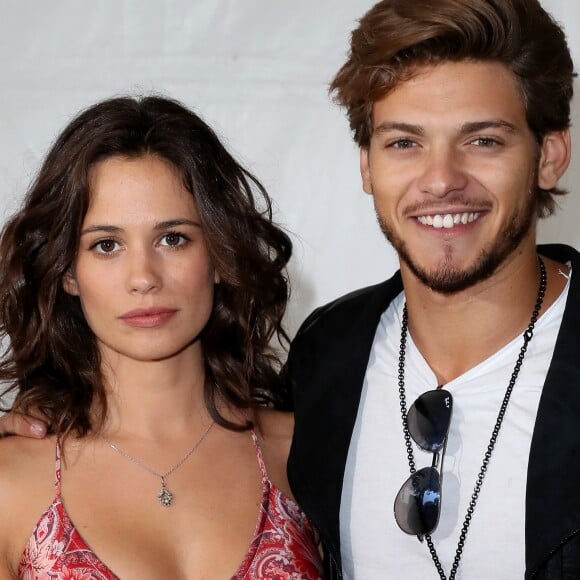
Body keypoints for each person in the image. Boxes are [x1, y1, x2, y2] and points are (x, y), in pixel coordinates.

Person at [284, 0, 579, 578]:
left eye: (483, 141)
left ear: (549, 156)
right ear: (366, 165)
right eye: (404, 143)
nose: (442, 178)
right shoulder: (325, 354)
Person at [0, 95, 323, 579]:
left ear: (219, 254)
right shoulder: (11, 481)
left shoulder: (306, 452)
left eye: (173, 238)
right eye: (106, 245)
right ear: (68, 271)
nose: (144, 276)